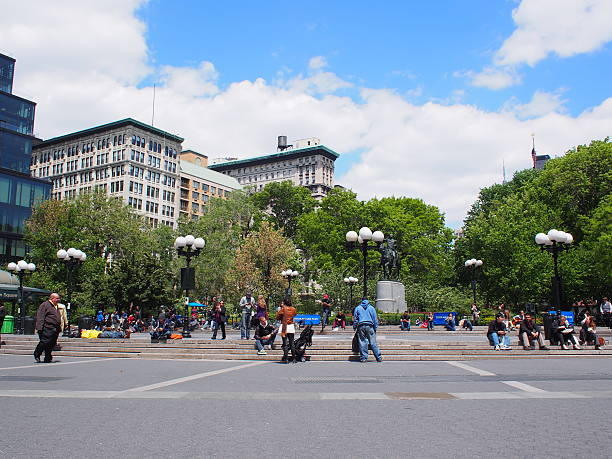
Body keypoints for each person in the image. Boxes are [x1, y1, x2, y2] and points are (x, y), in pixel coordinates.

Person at [33, 293, 62, 363]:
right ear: (52, 298)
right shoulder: (45, 305)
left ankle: (48, 357)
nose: (59, 300)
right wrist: (39, 328)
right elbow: (40, 316)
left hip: (55, 328)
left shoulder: (56, 306)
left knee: (52, 343)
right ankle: (37, 354)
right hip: (47, 327)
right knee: (44, 342)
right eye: (57, 298)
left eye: (59, 298)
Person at [276, 297, 297, 363]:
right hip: (291, 326)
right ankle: (294, 358)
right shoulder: (293, 309)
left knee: (285, 343)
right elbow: (294, 315)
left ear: (284, 302)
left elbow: (277, 317)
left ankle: (286, 358)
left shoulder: (282, 309)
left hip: (284, 326)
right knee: (292, 343)